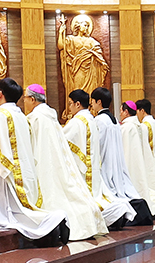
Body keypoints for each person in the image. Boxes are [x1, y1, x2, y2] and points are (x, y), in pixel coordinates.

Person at [0, 77, 69, 246]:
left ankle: (50, 222)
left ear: (0, 94)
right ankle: (52, 222)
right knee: (21, 208)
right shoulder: (21, 116)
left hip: (5, 171)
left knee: (6, 215)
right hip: (23, 169)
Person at [20, 83, 107, 241]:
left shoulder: (35, 118)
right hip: (58, 161)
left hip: (43, 161)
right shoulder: (51, 115)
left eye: (25, 98)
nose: (24, 102)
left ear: (32, 99)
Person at [62, 88, 133, 231]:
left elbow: (62, 140)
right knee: (100, 194)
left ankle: (112, 214)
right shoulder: (90, 118)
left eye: (70, 104)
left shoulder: (78, 121)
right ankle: (117, 213)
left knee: (90, 198)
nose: (69, 107)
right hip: (95, 164)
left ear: (77, 104)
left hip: (84, 166)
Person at [89, 87, 150, 222]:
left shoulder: (99, 120)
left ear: (99, 102)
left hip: (105, 162)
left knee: (109, 193)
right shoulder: (114, 120)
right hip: (115, 161)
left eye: (92, 101)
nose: (91, 105)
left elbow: (97, 144)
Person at [120, 100, 155, 217]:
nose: (120, 114)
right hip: (148, 159)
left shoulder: (133, 127)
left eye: (121, 111)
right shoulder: (145, 125)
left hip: (134, 161)